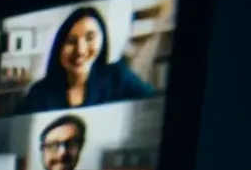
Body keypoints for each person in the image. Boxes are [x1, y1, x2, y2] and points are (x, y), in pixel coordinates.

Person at [21, 7, 154, 112]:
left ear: (102, 40)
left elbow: (154, 104)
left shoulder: (118, 77)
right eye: (71, 41)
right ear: (59, 47)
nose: (80, 50)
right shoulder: (39, 93)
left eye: (90, 38)